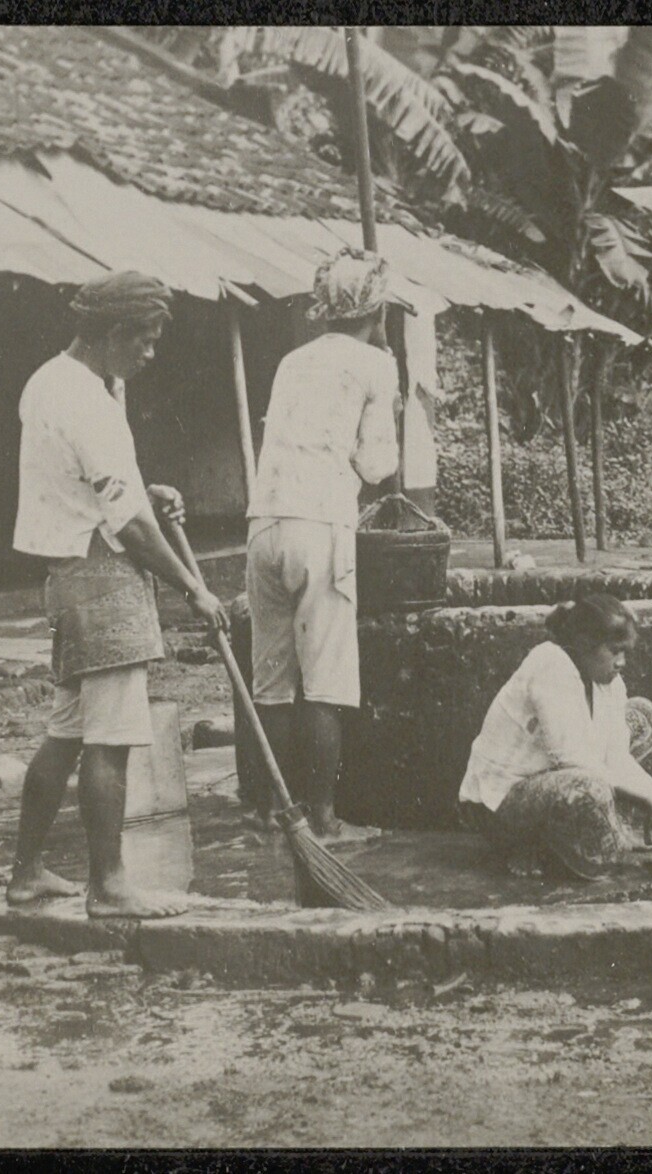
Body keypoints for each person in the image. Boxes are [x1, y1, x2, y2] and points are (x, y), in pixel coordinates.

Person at [7, 271, 230, 920]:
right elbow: (127, 525)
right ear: (110, 332)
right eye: (145, 338)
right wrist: (193, 588)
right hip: (105, 580)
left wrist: (143, 488)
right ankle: (109, 886)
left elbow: (87, 483)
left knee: (66, 733)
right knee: (110, 740)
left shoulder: (48, 380)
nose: (150, 353)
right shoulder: (89, 401)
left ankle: (25, 874)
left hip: (68, 574)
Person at [245, 249, 400, 841]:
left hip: (264, 522)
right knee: (326, 681)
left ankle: (269, 810)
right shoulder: (375, 364)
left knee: (273, 681)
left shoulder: (293, 361)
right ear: (376, 311)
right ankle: (325, 820)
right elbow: (378, 465)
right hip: (320, 525)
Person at [458, 595, 652, 879]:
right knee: (590, 791)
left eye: (625, 652)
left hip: (553, 778)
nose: (622, 662)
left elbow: (617, 759)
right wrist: (648, 798)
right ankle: (526, 846)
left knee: (642, 715)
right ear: (585, 644)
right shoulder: (549, 663)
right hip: (498, 802)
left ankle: (563, 839)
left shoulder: (608, 681)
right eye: (615, 651)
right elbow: (574, 761)